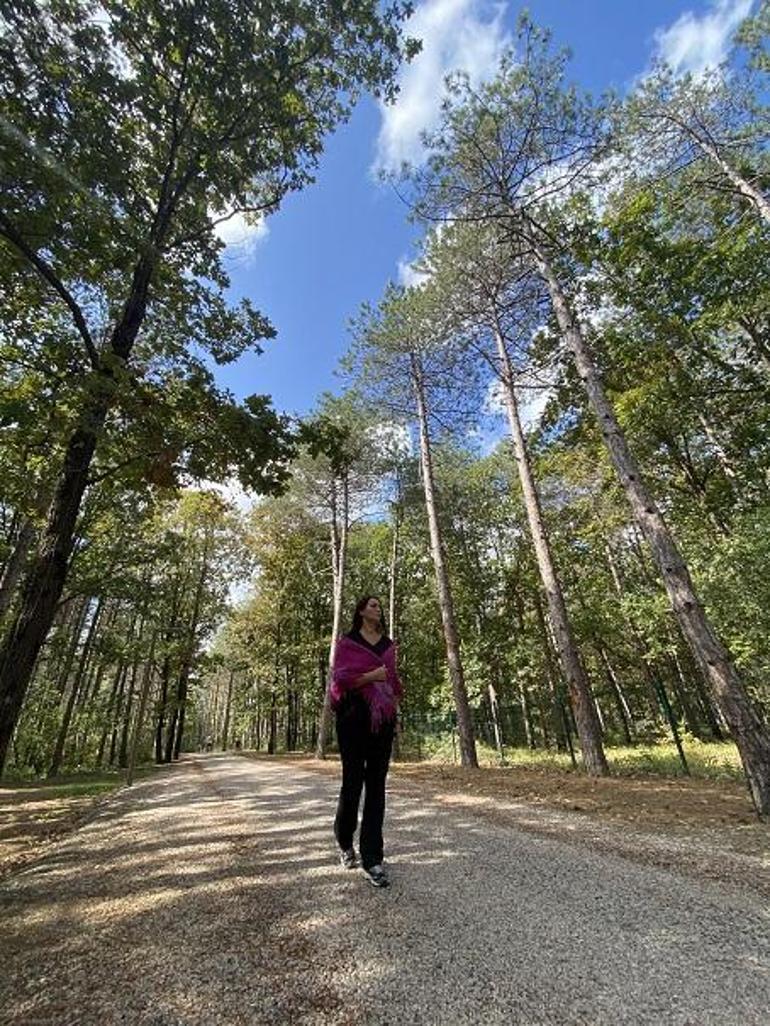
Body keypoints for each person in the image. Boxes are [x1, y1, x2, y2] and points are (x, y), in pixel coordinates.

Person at [329, 595, 402, 888]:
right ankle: (345, 842)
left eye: (379, 605)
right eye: (372, 604)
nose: (378, 608)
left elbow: (393, 680)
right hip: (352, 719)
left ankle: (372, 858)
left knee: (376, 787)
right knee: (352, 784)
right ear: (360, 611)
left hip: (381, 721)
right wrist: (372, 676)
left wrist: (394, 708)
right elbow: (340, 679)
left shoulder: (387, 644)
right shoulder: (347, 643)